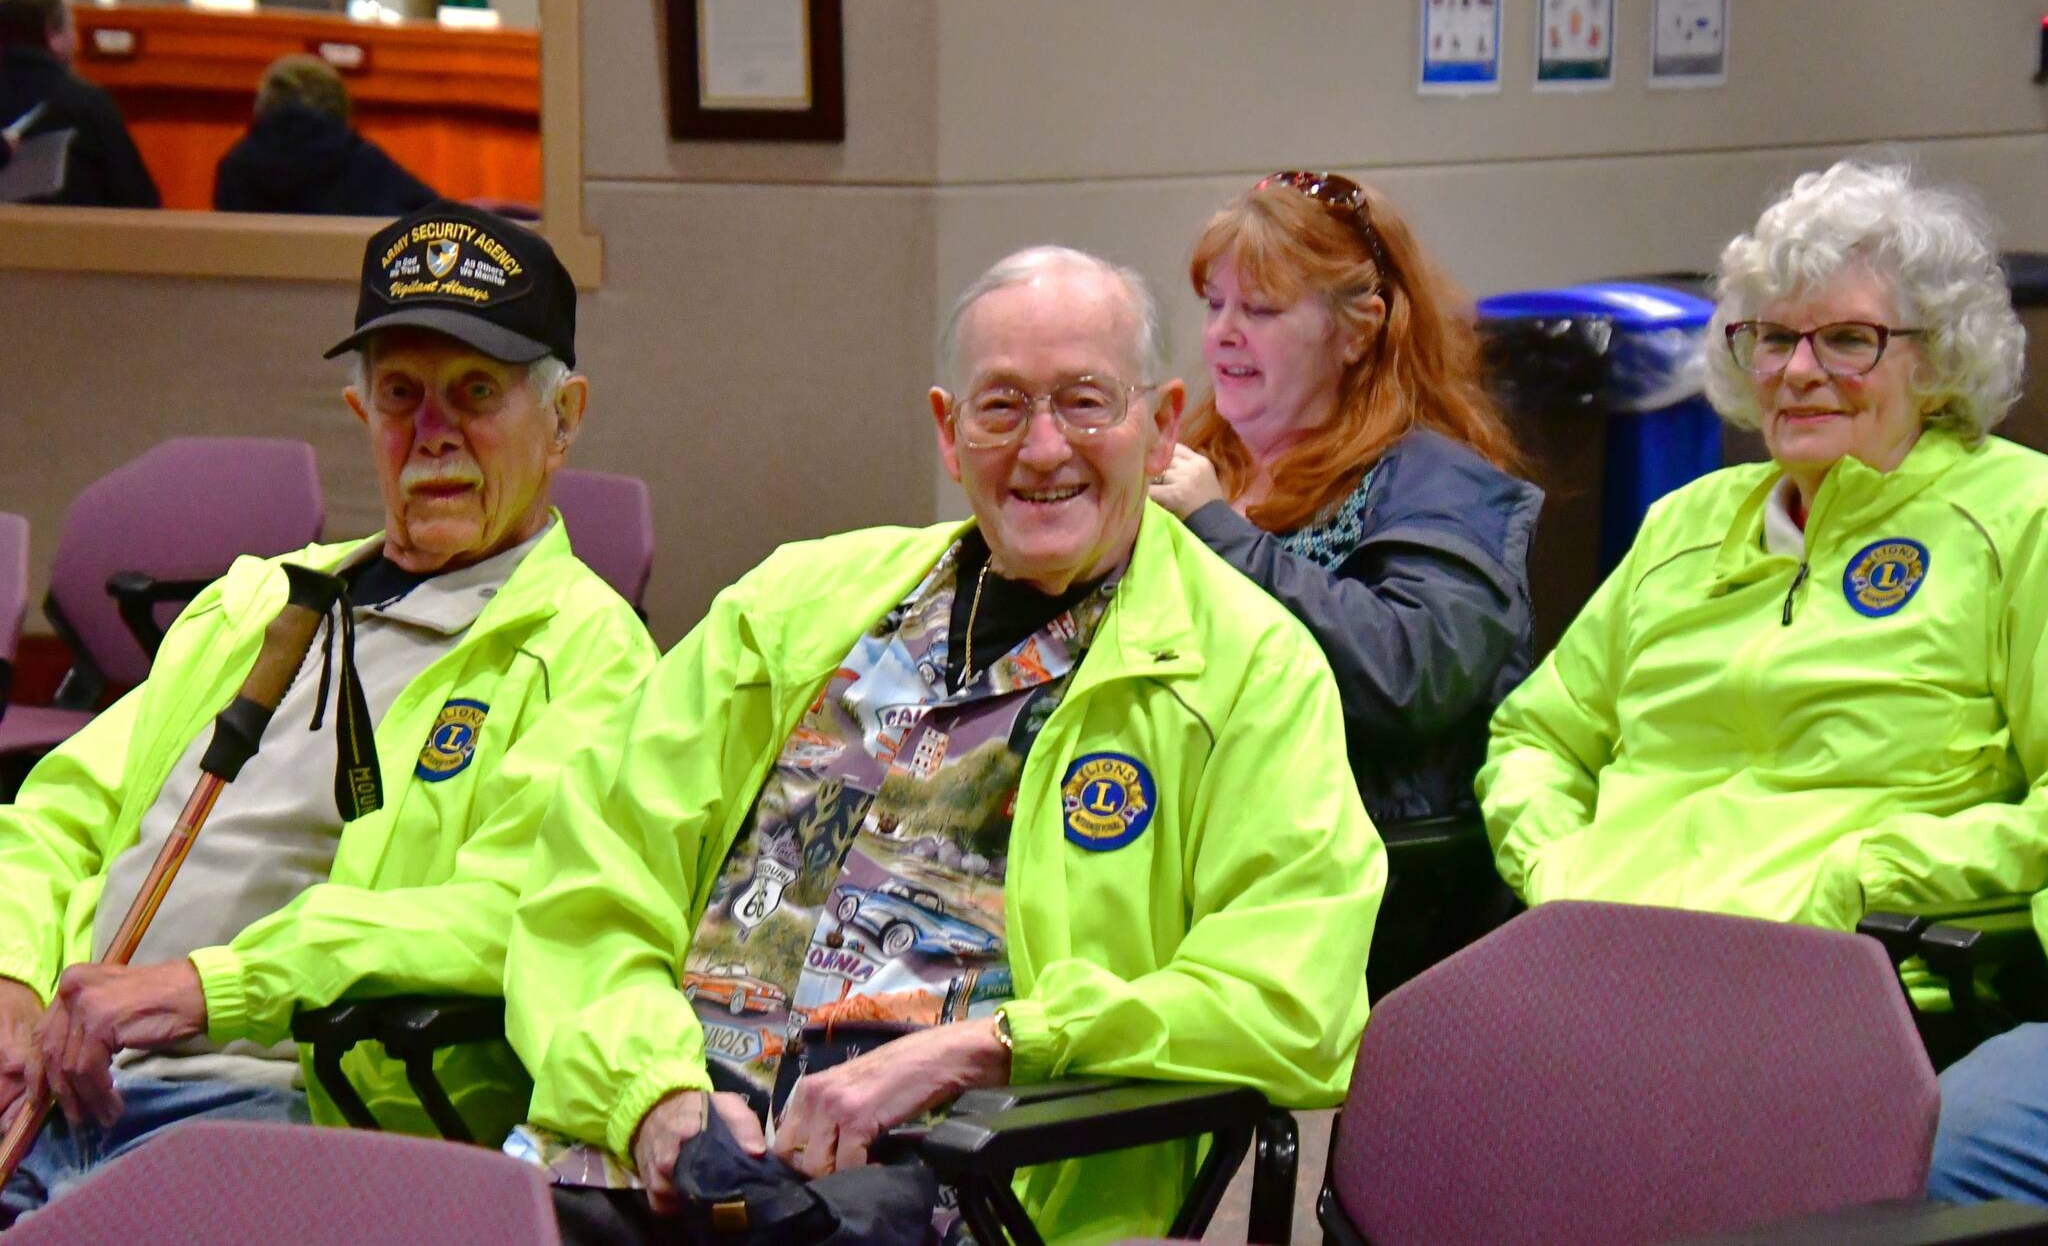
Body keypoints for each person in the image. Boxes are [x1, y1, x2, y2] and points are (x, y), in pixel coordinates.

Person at [503, 246, 1382, 1244]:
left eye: (1085, 403)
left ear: (1162, 424)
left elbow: (1291, 1000)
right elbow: (591, 884)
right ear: (948, 432)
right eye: (1001, 407)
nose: (1043, 449)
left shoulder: (1246, 672)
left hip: (959, 1192)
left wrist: (987, 1046)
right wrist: (651, 1097)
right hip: (650, 1160)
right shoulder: (793, 607)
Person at [0, 202, 656, 1218]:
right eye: (402, 394)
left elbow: (511, 916)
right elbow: (58, 818)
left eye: (475, 392)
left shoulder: (587, 653)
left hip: (274, 1107)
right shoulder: (255, 602)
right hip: (52, 1080)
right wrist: (11, 982)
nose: (433, 432)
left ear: (563, 418)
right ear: (361, 414)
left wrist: (211, 985)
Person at [1477, 160, 2048, 946]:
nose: (1800, 372)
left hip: (1843, 973)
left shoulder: (2021, 517)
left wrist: (1863, 877)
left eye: (1849, 340)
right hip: (1609, 958)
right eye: (1776, 339)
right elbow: (1537, 739)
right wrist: (1560, 870)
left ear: (1937, 360)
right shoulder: (1685, 525)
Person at [1148, 169, 1538, 994]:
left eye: (1261, 311)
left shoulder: (1442, 483)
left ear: (1356, 332)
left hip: (1369, 911)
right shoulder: (1191, 462)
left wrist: (1221, 532)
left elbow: (1408, 673)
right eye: (1214, 305)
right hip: (1173, 854)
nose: (1223, 334)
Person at [213, 54, 439, 216]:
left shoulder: (236, 166)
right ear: (340, 106)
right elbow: (438, 219)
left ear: (263, 105)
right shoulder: (364, 162)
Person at [0, 0, 158, 208]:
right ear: (53, 35)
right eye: (71, 27)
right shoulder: (88, 104)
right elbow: (140, 205)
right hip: (69, 232)